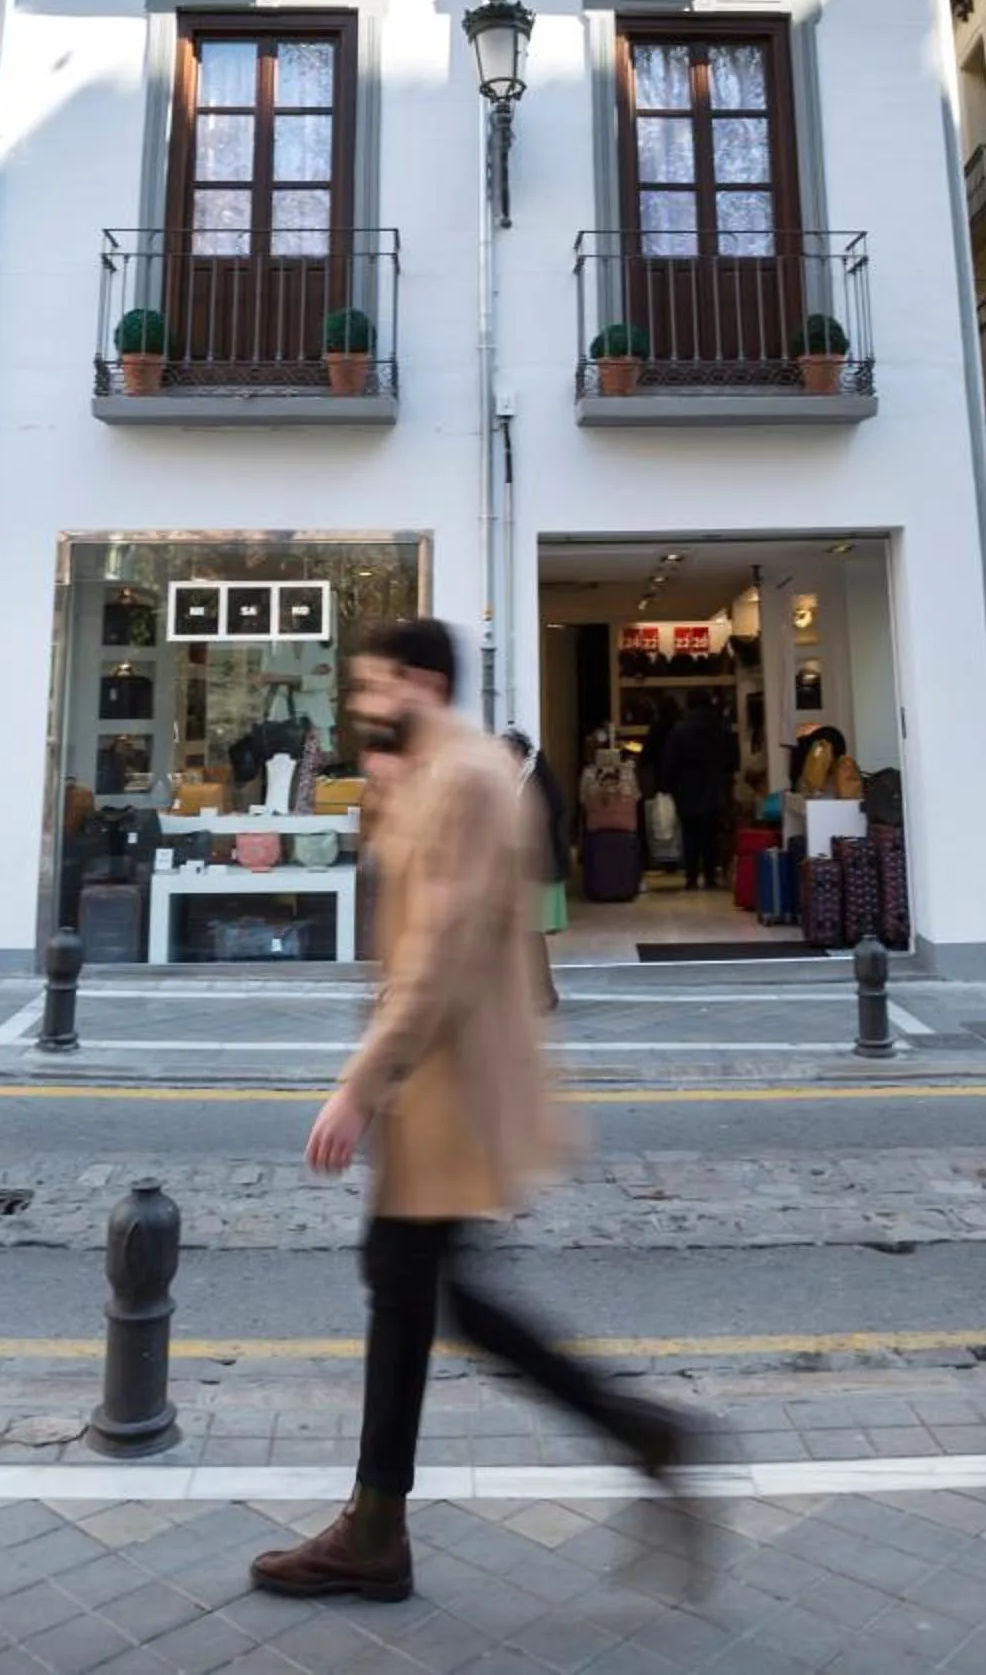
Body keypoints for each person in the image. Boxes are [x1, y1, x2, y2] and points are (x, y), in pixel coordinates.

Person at [251, 618, 695, 1605]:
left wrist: (359, 1086)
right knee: (415, 1291)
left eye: (373, 686)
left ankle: (630, 1437)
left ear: (417, 680)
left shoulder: (460, 777)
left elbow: (439, 953)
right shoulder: (447, 770)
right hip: (444, 1081)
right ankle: (378, 1525)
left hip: (443, 1085)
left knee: (426, 1292)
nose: (363, 705)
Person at [503, 725, 569, 1011]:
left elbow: (535, 824)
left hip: (536, 869)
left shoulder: (532, 779)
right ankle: (538, 993)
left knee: (530, 933)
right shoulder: (531, 775)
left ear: (517, 752)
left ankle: (542, 994)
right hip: (535, 868)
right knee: (529, 933)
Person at [664, 696, 738, 892]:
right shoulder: (720, 729)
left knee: (690, 834)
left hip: (686, 787)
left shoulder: (679, 730)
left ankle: (691, 877)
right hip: (713, 786)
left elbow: (670, 763)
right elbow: (732, 759)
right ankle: (711, 875)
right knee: (710, 834)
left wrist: (671, 787)